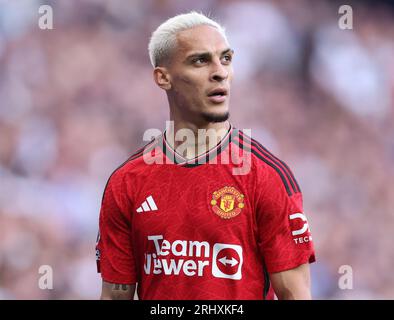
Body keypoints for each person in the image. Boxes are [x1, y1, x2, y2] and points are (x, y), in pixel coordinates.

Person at [96, 11, 315, 300]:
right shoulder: (126, 183)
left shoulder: (266, 176)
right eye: (200, 60)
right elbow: (115, 295)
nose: (220, 72)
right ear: (163, 78)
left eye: (226, 59)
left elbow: (296, 295)